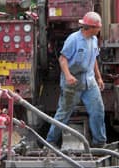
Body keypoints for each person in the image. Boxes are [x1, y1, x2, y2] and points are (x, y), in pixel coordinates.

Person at [46, 11, 107, 148]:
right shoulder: (73, 40)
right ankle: (50, 141)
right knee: (64, 113)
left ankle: (100, 143)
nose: (99, 29)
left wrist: (99, 78)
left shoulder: (94, 40)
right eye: (98, 27)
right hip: (73, 82)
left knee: (98, 110)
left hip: (89, 82)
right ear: (90, 27)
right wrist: (68, 76)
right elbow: (63, 59)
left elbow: (94, 60)